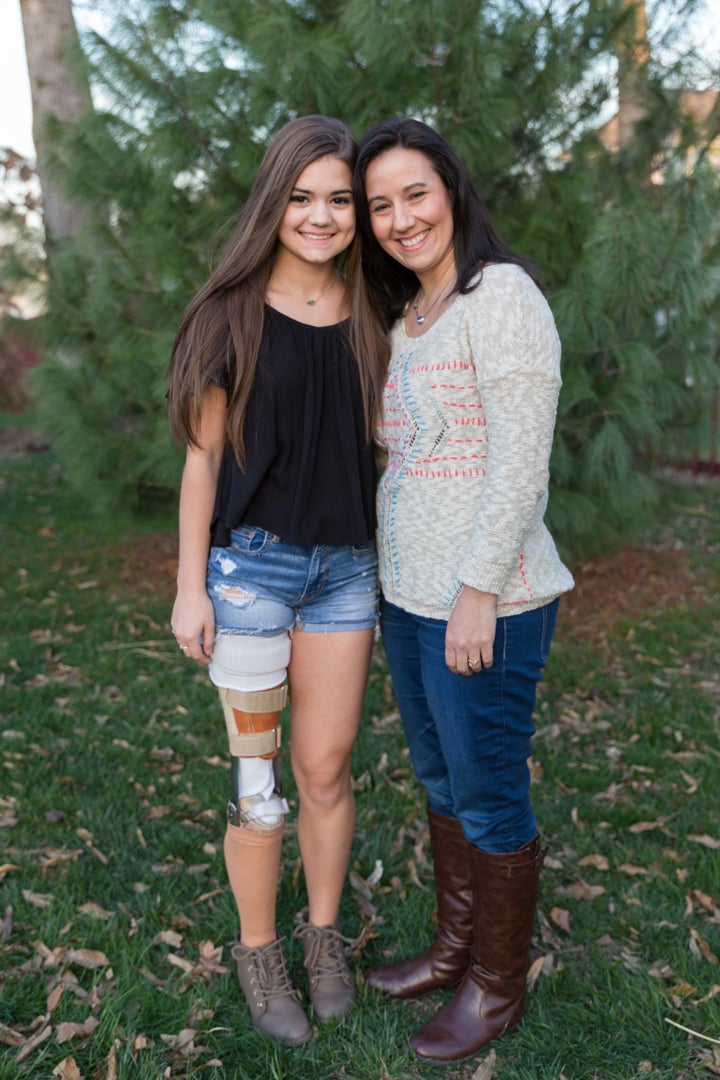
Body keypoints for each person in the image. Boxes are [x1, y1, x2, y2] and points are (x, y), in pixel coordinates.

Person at [353, 118, 575, 1065]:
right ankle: (453, 948)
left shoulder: (503, 297)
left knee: (487, 795)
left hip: (488, 596)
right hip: (409, 595)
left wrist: (478, 589)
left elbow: (522, 462)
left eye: (416, 193)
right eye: (380, 205)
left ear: (452, 189)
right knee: (441, 781)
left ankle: (496, 981)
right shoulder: (411, 316)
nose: (401, 219)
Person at [167, 115, 387, 1048]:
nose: (322, 215)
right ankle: (261, 951)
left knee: (326, 770)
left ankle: (324, 937)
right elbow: (201, 460)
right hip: (251, 574)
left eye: (340, 199)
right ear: (274, 202)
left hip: (348, 575)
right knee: (260, 786)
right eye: (302, 197)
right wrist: (190, 586)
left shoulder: (377, 308)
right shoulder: (233, 314)